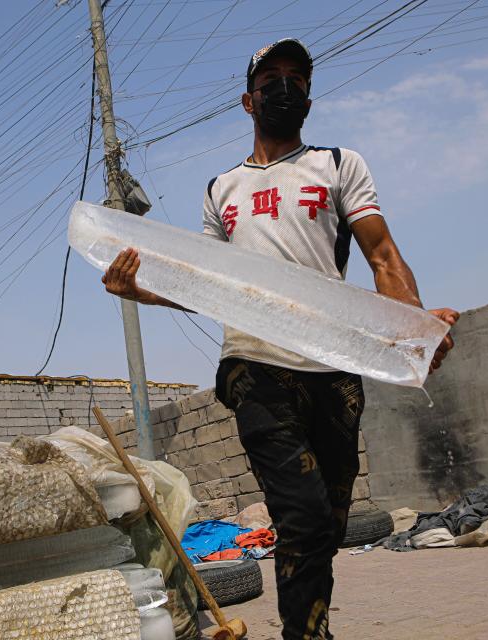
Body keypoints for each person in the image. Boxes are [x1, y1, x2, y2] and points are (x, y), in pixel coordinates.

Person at [102, 39, 459, 639]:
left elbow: (382, 254)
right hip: (255, 366)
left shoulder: (340, 165)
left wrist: (414, 330)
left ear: (310, 98)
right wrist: (140, 289)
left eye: (297, 79)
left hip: (333, 366)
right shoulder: (222, 190)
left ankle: (308, 625)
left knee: (329, 521)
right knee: (303, 512)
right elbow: (205, 286)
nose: (285, 89)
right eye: (272, 80)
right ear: (248, 100)